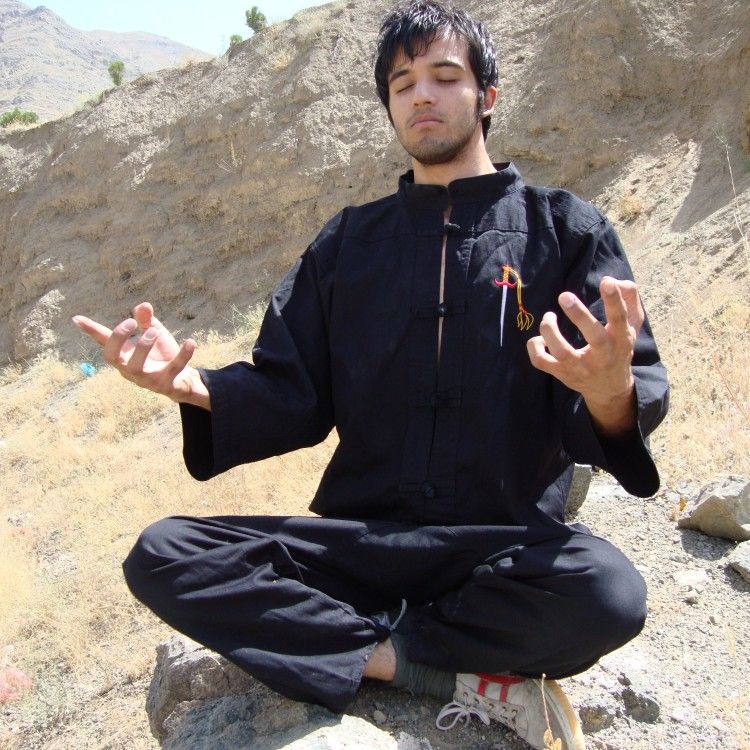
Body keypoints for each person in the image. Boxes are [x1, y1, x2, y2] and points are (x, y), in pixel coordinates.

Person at [73, 2, 668, 748]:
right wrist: (192, 387)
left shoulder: (566, 233)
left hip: (498, 550)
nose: (422, 96)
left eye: (444, 76)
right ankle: (424, 665)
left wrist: (611, 392)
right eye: (402, 83)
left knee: (609, 591)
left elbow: (623, 389)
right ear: (388, 105)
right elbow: (292, 394)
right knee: (165, 552)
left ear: (487, 95)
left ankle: (349, 643)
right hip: (359, 547)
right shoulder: (348, 244)